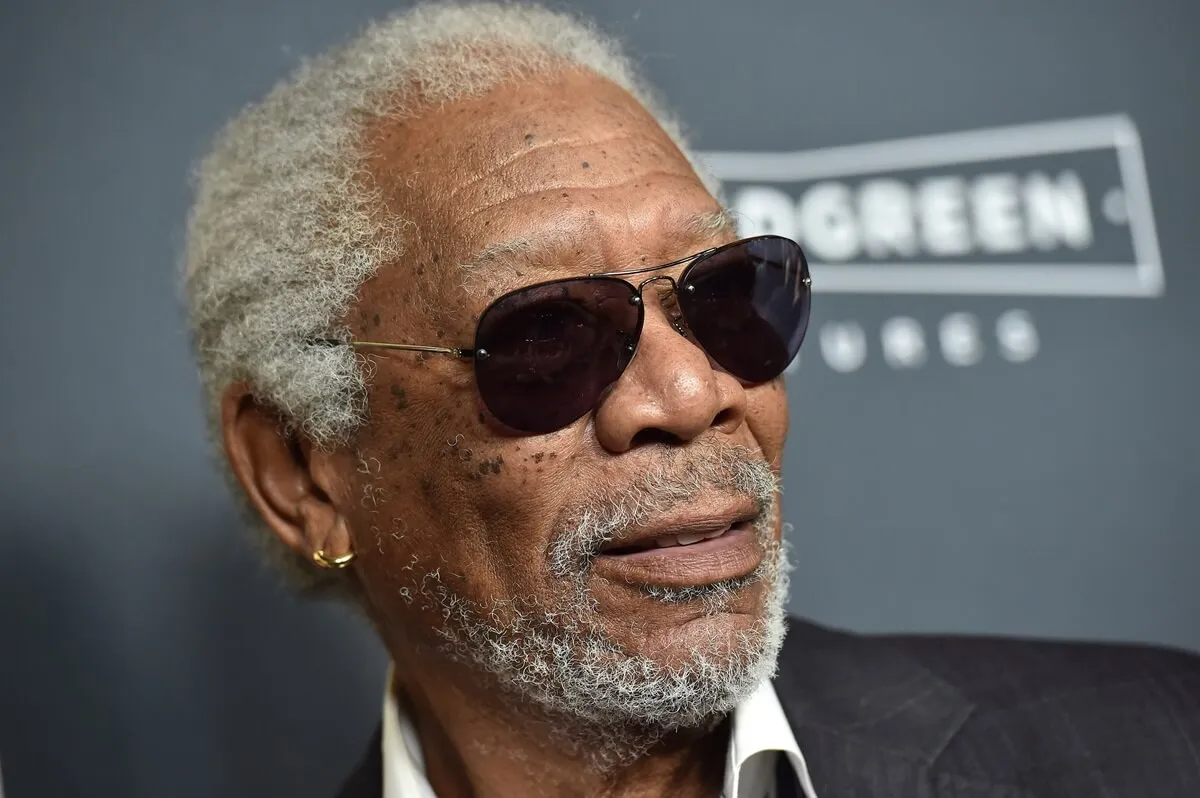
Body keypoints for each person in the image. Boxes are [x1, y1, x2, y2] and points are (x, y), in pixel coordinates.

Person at [183, 3, 1200, 796]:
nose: (690, 392)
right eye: (546, 336)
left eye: (723, 297)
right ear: (303, 472)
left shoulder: (1157, 749)